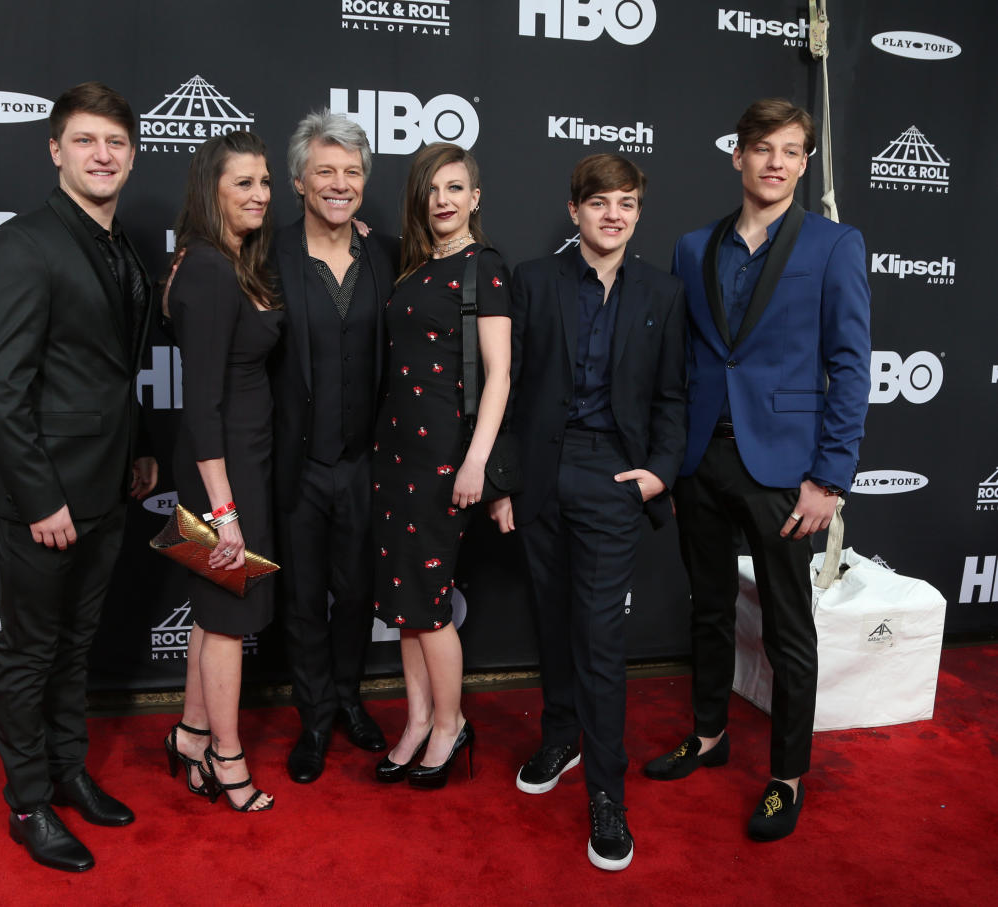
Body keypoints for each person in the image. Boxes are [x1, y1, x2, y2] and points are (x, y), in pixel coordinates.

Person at [644, 98, 871, 842]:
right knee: (708, 608)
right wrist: (674, 462)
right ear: (736, 155)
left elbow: (850, 365)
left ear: (806, 164)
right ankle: (709, 735)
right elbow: (682, 364)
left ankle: (787, 775)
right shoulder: (690, 247)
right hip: (702, 461)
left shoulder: (836, 247)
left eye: (792, 151)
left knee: (787, 628)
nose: (777, 162)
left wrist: (828, 479)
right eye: (763, 148)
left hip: (784, 468)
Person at [0, 81, 157, 872]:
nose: (102, 154)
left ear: (133, 154)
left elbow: (114, 371)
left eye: (115, 142)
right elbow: (1, 385)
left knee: (76, 647)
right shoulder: (24, 244)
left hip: (109, 486)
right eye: (85, 141)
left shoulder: (122, 248)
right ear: (55, 151)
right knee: (30, 653)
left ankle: (68, 769)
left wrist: (138, 450)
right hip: (44, 501)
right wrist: (41, 496)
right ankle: (28, 802)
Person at [490, 154, 686, 872]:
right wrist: (504, 484)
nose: (613, 214)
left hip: (615, 476)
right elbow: (504, 390)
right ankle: (560, 733)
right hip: (541, 475)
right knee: (551, 615)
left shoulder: (663, 292)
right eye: (598, 201)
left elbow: (672, 397)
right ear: (573, 210)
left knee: (600, 638)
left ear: (638, 212)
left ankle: (608, 794)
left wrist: (657, 474)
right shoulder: (535, 280)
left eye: (626, 203)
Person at [371, 142, 511, 789]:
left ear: (476, 198)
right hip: (394, 456)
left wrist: (477, 461)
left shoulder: (484, 268)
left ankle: (451, 723)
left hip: (445, 460)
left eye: (456, 187)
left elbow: (500, 374)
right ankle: (418, 718)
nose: (445, 199)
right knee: (405, 602)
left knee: (428, 602)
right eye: (433, 189)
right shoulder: (413, 268)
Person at [270, 112, 400, 783]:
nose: (340, 183)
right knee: (303, 599)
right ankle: (314, 717)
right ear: (299, 180)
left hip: (365, 463)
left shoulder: (388, 255)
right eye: (326, 170)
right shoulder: (269, 254)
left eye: (352, 172)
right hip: (296, 467)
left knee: (355, 595)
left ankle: (349, 699)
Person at [161, 130, 282, 813]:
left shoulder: (227, 260)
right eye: (244, 183)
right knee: (230, 616)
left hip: (243, 462)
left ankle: (191, 731)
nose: (260, 194)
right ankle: (225, 758)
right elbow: (200, 401)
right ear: (212, 190)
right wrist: (224, 510)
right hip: (221, 470)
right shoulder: (207, 268)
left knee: (214, 612)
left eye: (265, 181)